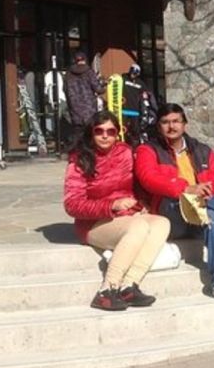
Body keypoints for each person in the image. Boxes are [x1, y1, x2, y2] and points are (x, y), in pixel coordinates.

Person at [134, 104, 214, 305]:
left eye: (176, 121)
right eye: (165, 122)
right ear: (158, 126)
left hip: (201, 212)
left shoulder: (201, 151)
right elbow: (148, 178)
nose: (171, 126)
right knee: (204, 206)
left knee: (210, 217)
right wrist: (185, 189)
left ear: (185, 124)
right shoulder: (148, 150)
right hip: (170, 212)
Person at [63, 110, 169, 311]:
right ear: (91, 133)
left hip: (125, 217)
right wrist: (111, 206)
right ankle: (106, 290)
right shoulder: (80, 159)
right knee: (138, 226)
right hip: (92, 224)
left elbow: (138, 184)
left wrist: (142, 203)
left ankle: (129, 285)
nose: (105, 135)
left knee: (161, 223)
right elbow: (72, 204)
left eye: (111, 131)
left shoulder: (126, 152)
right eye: (99, 131)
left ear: (118, 133)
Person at [64, 51, 105, 144]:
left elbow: (65, 90)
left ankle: (76, 153)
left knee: (77, 133)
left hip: (74, 108)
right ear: (85, 60)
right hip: (89, 108)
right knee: (89, 133)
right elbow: (98, 89)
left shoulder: (68, 74)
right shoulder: (89, 72)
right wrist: (104, 86)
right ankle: (88, 152)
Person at [123, 63, 158, 146]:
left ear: (138, 74)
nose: (132, 75)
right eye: (131, 72)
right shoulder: (123, 78)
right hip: (124, 109)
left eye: (135, 73)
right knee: (124, 130)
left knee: (135, 131)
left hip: (135, 111)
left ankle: (135, 147)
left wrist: (147, 107)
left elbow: (146, 96)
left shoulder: (141, 84)